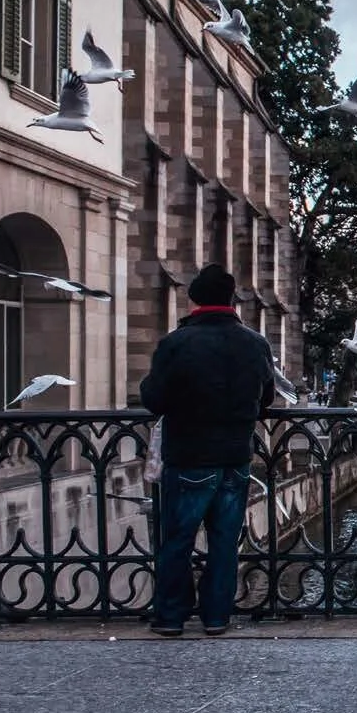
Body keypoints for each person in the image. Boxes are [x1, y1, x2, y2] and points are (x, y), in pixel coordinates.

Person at [140, 263, 277, 637]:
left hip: (188, 453)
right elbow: (267, 396)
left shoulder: (176, 343)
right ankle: (216, 616)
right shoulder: (255, 343)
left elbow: (154, 399)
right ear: (231, 300)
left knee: (178, 539)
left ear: (194, 299)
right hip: (235, 454)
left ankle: (171, 615)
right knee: (224, 541)